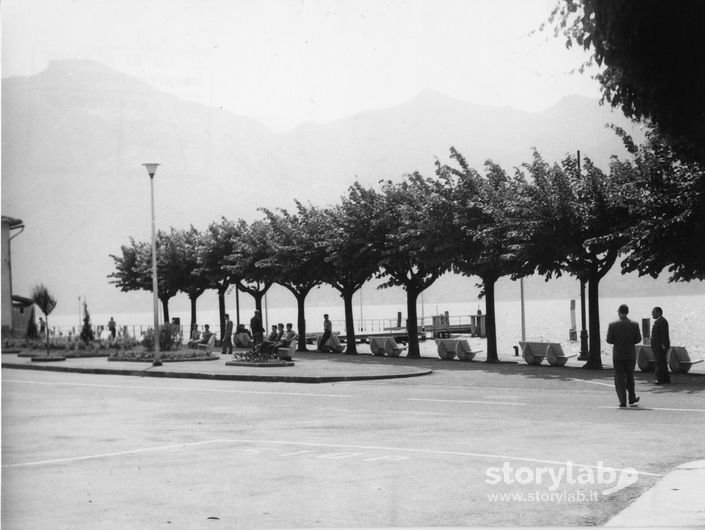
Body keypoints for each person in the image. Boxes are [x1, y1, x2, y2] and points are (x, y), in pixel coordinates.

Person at [606, 304, 642, 408]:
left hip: (618, 355)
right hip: (630, 354)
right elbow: (638, 339)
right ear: (627, 312)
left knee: (619, 378)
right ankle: (632, 397)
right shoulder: (634, 324)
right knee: (630, 377)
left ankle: (622, 400)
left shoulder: (612, 325)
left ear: (619, 312)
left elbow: (609, 340)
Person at [651, 306, 671, 384]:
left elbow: (664, 334)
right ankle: (665, 379)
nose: (652, 314)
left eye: (653, 312)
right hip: (657, 346)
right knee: (662, 362)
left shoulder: (662, 322)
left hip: (660, 346)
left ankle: (660, 379)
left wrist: (664, 345)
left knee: (659, 362)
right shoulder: (659, 321)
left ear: (658, 312)